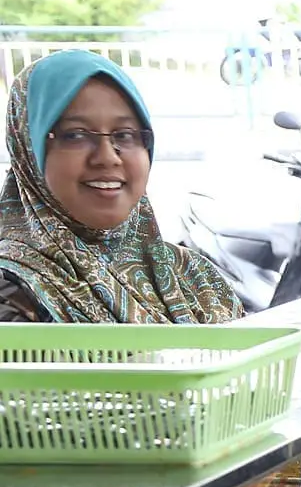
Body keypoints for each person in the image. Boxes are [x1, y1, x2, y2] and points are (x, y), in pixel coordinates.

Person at [0, 50, 242, 325]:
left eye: (125, 135)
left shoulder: (195, 277)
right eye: (75, 135)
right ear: (28, 149)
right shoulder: (13, 290)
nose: (107, 156)